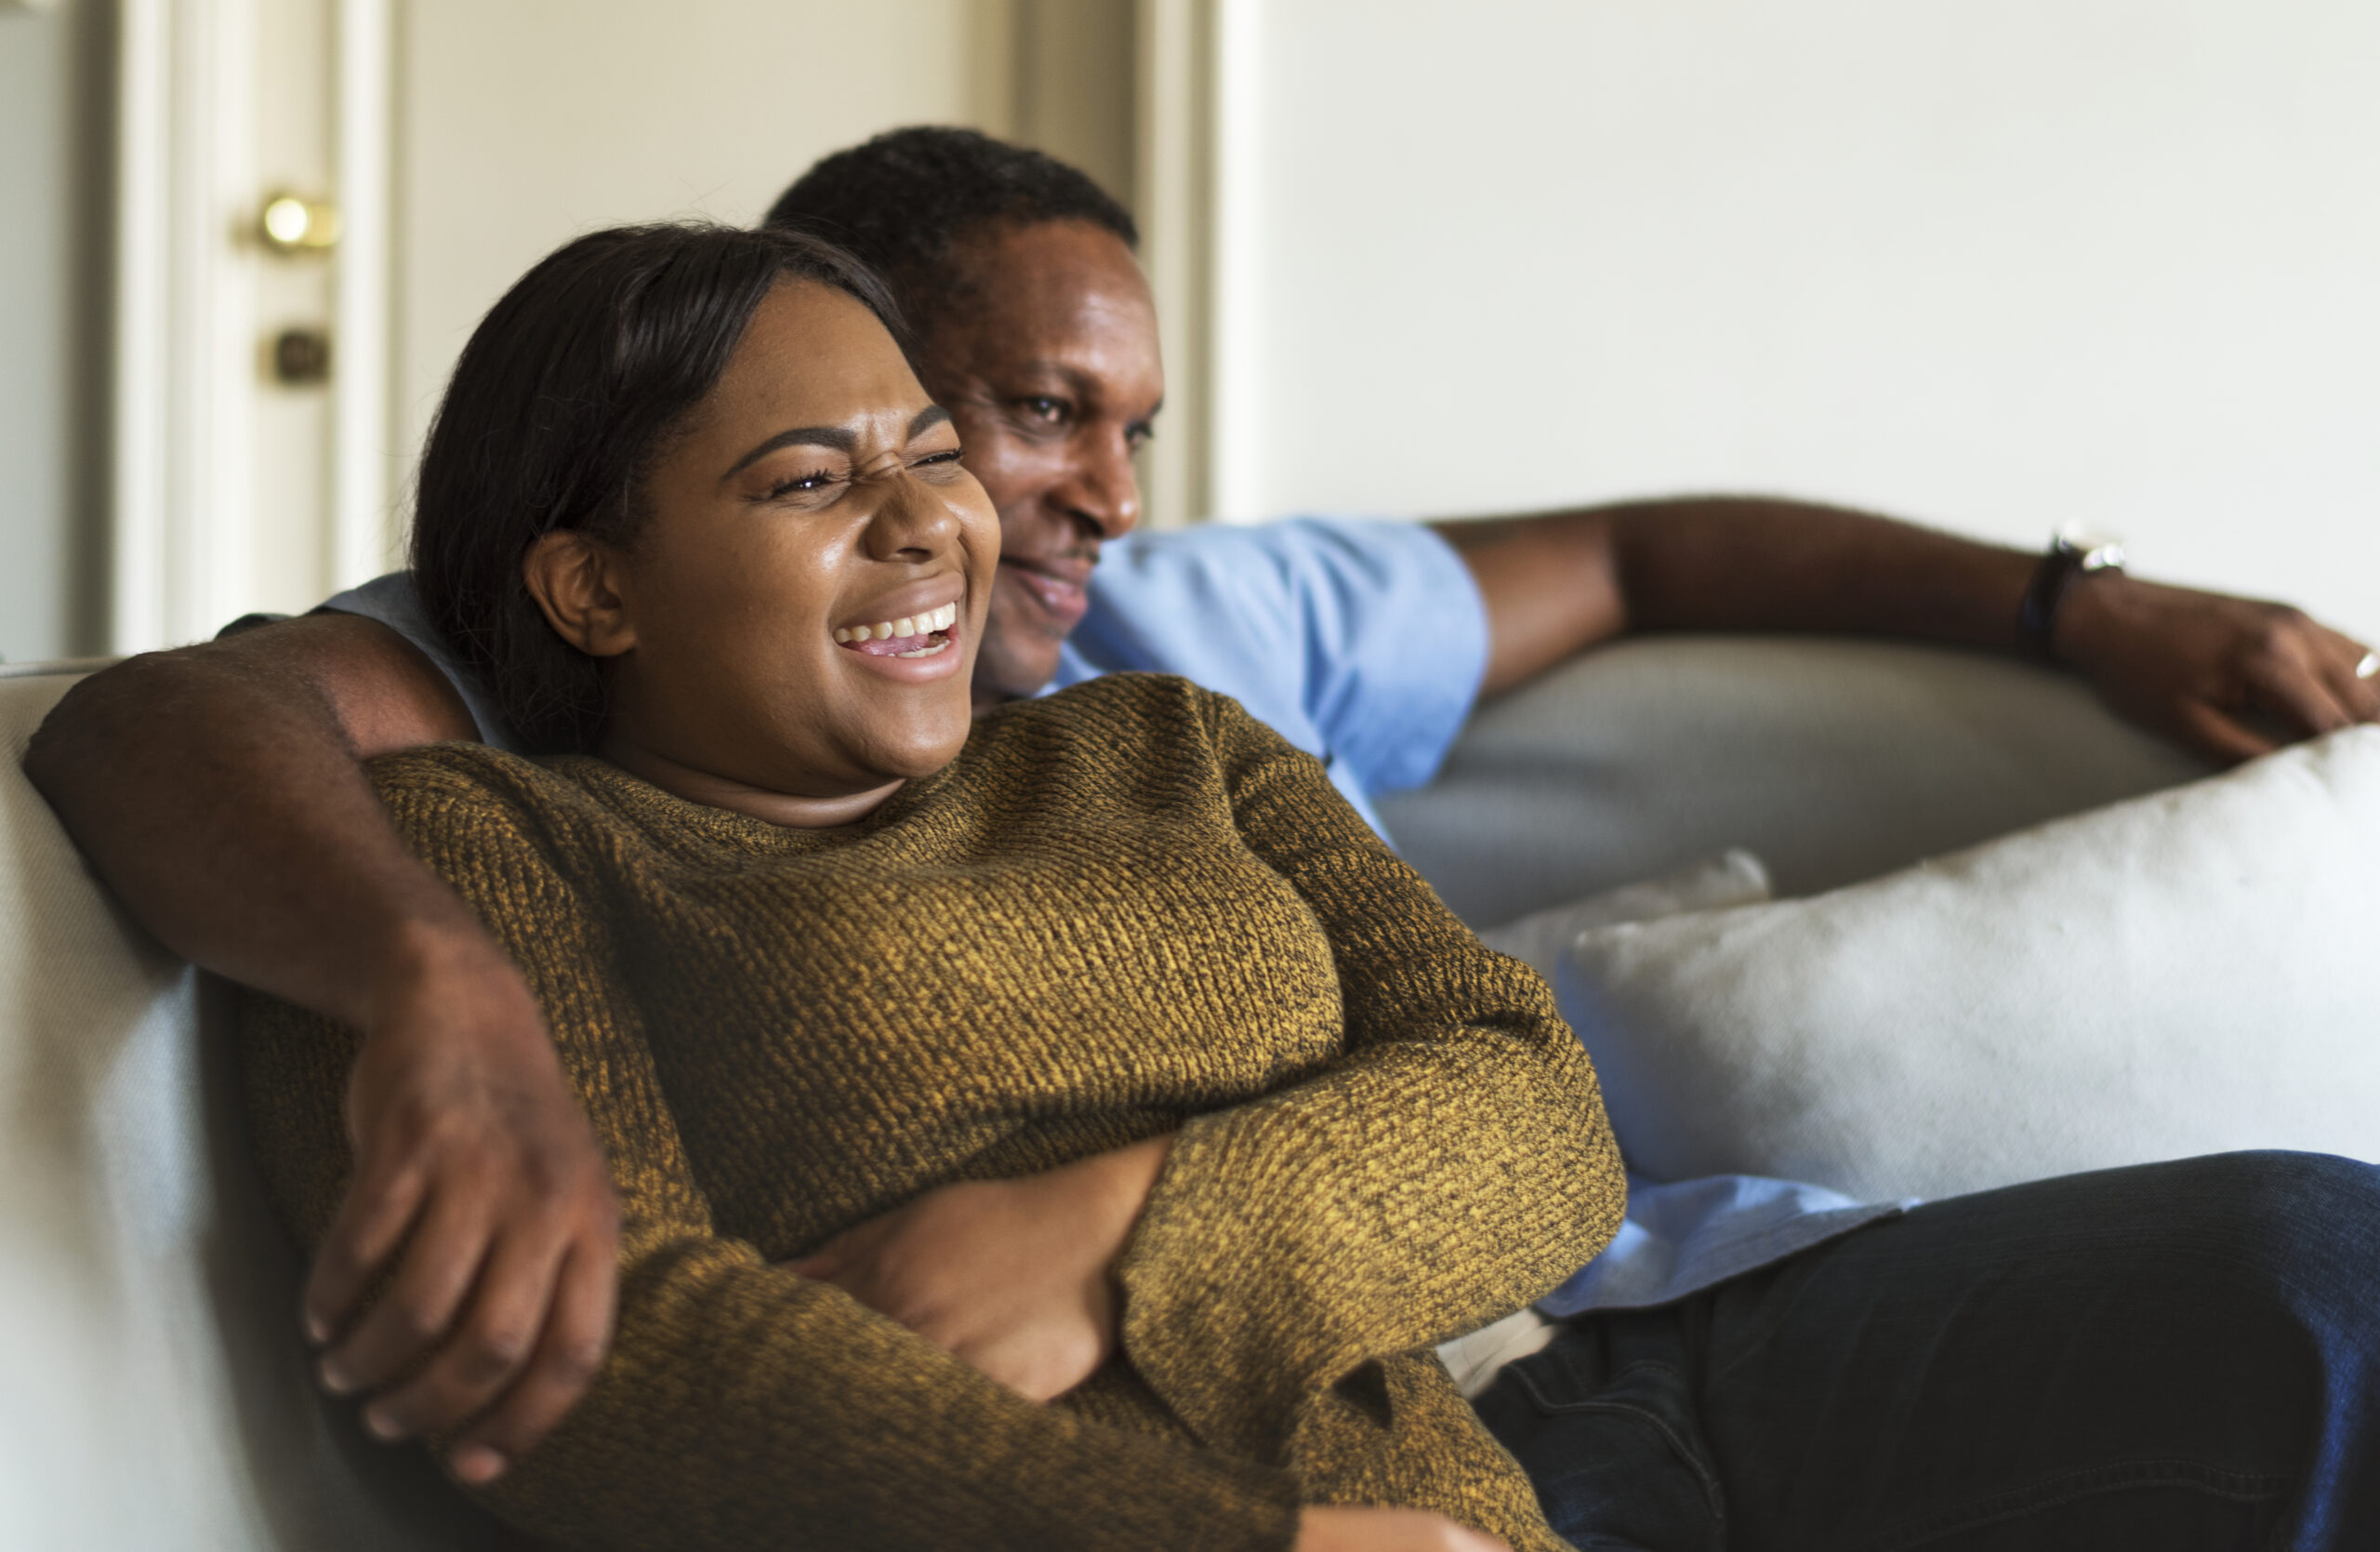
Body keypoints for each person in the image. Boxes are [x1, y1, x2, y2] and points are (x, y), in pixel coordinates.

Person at [23, 126, 2380, 1486]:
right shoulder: (527, 749)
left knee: (2313, 1266)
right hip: (1315, 1463)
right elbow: (150, 719)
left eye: (1053, 444)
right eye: (1017, 412)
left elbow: (1638, 610)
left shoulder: (1188, 686)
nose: (1076, 506)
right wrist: (422, 977)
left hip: (1613, 1310)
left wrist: (2079, 603)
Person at [246, 219, 1620, 1552]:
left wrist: (1118, 1246)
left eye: (940, 455)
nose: (925, 525)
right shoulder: (482, 845)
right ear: (594, 590)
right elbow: (595, 1364)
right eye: (808, 482)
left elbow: (1542, 1114)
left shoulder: (1169, 745)